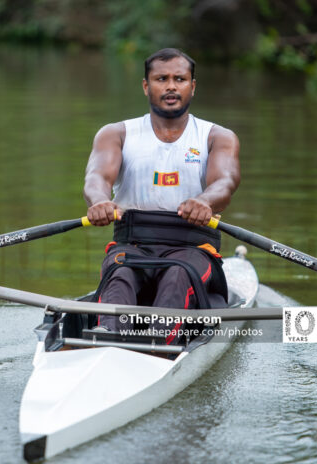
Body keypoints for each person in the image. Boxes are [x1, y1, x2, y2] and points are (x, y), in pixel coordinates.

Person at [83, 48, 240, 343]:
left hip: (194, 248)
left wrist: (205, 201)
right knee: (121, 272)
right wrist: (100, 201)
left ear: (192, 86)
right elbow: (96, 178)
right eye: (161, 79)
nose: (170, 86)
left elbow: (225, 182)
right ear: (146, 86)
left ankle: (159, 344)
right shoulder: (116, 133)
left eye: (179, 79)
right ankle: (107, 340)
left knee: (177, 275)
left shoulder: (217, 137)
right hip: (132, 244)